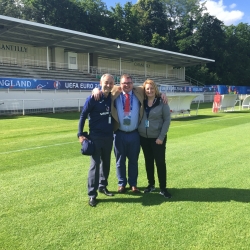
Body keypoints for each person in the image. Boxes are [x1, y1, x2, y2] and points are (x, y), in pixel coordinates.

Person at [92, 74, 168, 194]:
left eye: (129, 83)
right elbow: (103, 88)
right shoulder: (114, 93)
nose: (126, 85)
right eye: (124, 83)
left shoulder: (139, 92)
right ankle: (121, 183)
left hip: (134, 133)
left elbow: (152, 90)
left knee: (133, 160)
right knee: (119, 160)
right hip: (119, 133)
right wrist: (95, 89)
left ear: (133, 84)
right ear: (120, 85)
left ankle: (133, 184)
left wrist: (162, 94)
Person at [77, 73, 115, 207]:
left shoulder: (113, 96)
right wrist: (80, 134)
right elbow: (83, 116)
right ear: (100, 82)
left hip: (109, 136)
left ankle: (102, 186)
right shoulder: (93, 97)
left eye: (111, 82)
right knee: (94, 165)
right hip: (95, 137)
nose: (108, 85)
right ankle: (92, 194)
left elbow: (130, 87)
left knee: (106, 164)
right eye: (106, 82)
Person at [138, 79, 172, 198]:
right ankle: (151, 184)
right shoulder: (141, 100)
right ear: (144, 90)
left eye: (152, 88)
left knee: (160, 163)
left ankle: (163, 188)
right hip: (144, 138)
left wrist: (161, 137)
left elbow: (167, 120)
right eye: (147, 88)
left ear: (155, 89)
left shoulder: (162, 101)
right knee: (148, 162)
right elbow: (126, 87)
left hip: (158, 139)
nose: (149, 90)